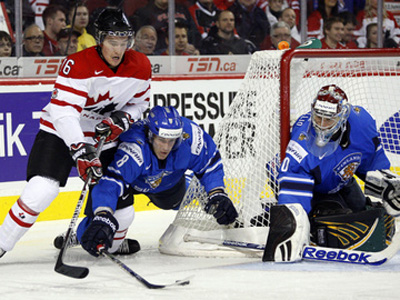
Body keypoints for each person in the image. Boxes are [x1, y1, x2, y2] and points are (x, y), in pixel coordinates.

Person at [0, 7, 152, 259]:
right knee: (41, 190)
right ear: (100, 39)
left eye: (124, 42)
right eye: (113, 42)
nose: (118, 49)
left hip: (104, 139)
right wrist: (80, 149)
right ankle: (2, 243)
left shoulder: (140, 65)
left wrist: (123, 119)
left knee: (121, 207)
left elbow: (140, 104)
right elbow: (64, 114)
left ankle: (88, 237)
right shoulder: (78, 64)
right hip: (60, 135)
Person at [72, 105, 238, 257]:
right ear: (150, 135)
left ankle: (196, 189)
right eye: (162, 140)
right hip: (132, 183)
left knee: (178, 203)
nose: (166, 147)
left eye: (171, 141)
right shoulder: (134, 148)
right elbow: (111, 184)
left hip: (167, 182)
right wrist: (103, 215)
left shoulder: (191, 137)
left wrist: (217, 192)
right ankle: (78, 235)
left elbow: (210, 164)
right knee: (111, 224)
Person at [263, 84, 400, 262]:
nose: (321, 125)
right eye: (318, 117)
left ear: (343, 116)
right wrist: (289, 227)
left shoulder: (362, 122)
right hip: (309, 185)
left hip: (340, 180)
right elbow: (294, 187)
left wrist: (384, 185)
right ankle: (276, 216)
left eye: (328, 120)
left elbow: (370, 158)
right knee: (333, 219)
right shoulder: (302, 144)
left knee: (363, 213)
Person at [130, 0, 201, 53]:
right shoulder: (143, 13)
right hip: (159, 54)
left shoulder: (182, 9)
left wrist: (193, 48)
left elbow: (194, 32)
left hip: (184, 52)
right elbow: (143, 41)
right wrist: (174, 47)